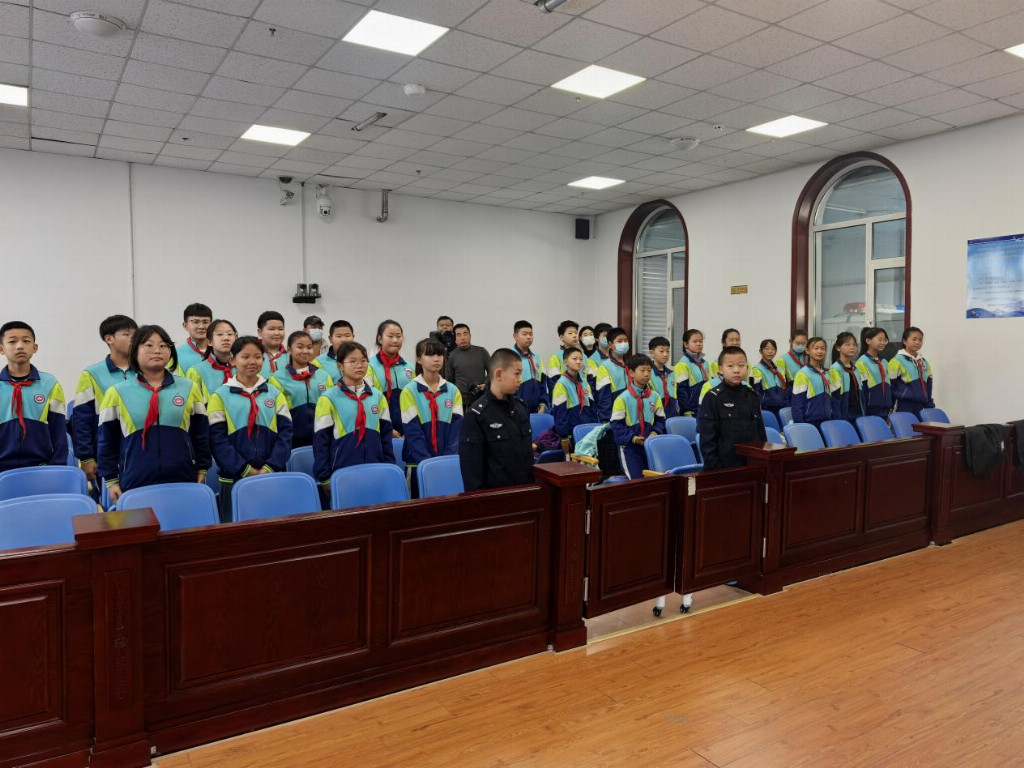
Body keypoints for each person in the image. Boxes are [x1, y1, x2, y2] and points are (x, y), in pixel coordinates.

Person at [97, 325, 210, 502]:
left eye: (163, 345)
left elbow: (201, 434)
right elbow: (106, 441)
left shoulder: (189, 388)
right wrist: (111, 481)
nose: (157, 350)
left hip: (182, 477)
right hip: (135, 480)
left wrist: (202, 468)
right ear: (135, 350)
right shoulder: (117, 392)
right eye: (149, 345)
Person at [207, 336, 293, 519]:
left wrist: (270, 467)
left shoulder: (275, 394)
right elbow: (217, 440)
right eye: (245, 357)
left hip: (271, 474)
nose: (252, 362)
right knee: (235, 528)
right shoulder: (219, 396)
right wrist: (245, 470)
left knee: (273, 526)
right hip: (233, 477)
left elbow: (286, 435)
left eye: (257, 357)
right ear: (232, 360)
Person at [313, 341, 394, 495]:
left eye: (363, 361)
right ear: (340, 366)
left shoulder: (377, 396)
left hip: (375, 468)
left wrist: (389, 466)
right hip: (342, 471)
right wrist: (324, 477)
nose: (359, 365)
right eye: (353, 361)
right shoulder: (328, 398)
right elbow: (321, 442)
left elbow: (386, 437)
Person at [71, 314, 136, 487]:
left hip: (139, 451)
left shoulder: (145, 370)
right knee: (113, 501)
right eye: (127, 334)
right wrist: (86, 457)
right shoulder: (91, 374)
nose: (133, 339)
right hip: (105, 453)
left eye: (135, 334)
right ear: (109, 339)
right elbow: (81, 420)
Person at [459, 348, 534, 491]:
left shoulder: (521, 408)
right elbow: (472, 473)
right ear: (499, 374)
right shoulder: (477, 415)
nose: (521, 379)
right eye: (517, 373)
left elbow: (527, 458)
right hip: (496, 497)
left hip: (525, 491)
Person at [0, 321, 68, 472]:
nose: (19, 346)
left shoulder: (50, 384)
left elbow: (59, 431)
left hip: (41, 466)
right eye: (12, 341)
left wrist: (57, 466)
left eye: (26, 341)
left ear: (34, 348)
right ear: (1, 349)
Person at [399, 338, 463, 491]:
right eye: (430, 355)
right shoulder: (409, 391)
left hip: (447, 463)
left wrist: (445, 460)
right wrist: (428, 465)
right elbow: (413, 432)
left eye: (439, 354)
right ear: (419, 359)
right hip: (417, 464)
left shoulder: (453, 390)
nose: (436, 359)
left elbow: (456, 430)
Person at [698, 346, 766, 470]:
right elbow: (707, 440)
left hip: (752, 465)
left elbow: (761, 434)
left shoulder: (752, 396)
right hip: (724, 467)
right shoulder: (713, 397)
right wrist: (716, 469)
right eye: (730, 366)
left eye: (741, 365)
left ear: (747, 368)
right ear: (721, 369)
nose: (736, 370)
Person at [268, 330, 333, 448]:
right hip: (291, 441)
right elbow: (274, 416)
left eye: (309, 347)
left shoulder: (323, 376)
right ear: (289, 349)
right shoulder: (277, 379)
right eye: (300, 347)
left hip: (321, 439)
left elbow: (332, 408)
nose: (305, 351)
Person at [610, 354, 666, 479]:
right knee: (637, 480)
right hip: (629, 448)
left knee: (653, 479)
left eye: (649, 371)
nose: (646, 374)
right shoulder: (622, 398)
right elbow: (616, 425)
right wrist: (633, 438)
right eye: (642, 370)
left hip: (649, 446)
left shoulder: (655, 396)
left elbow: (660, 420)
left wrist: (655, 432)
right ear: (631, 373)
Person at [366, 319, 413, 436]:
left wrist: (412, 428)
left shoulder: (410, 366)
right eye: (390, 336)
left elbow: (415, 401)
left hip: (408, 429)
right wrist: (387, 429)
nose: (395, 340)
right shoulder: (369, 366)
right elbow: (368, 401)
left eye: (399, 336)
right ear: (380, 339)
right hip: (380, 429)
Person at [550, 346, 596, 452]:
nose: (579, 362)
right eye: (574, 359)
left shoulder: (584, 383)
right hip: (571, 433)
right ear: (566, 362)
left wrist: (594, 428)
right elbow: (560, 413)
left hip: (587, 430)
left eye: (581, 359)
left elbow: (592, 408)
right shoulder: (561, 384)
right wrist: (564, 436)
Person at [791, 337, 837, 429]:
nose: (820, 351)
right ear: (807, 351)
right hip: (809, 422)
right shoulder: (802, 374)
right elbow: (797, 404)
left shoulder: (826, 373)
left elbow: (831, 399)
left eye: (823, 348)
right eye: (816, 348)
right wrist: (800, 426)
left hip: (826, 421)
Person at [186, 319, 237, 402]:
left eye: (230, 334)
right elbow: (194, 404)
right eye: (220, 334)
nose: (226, 338)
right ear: (209, 342)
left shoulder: (244, 368)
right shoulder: (196, 372)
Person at [889, 327, 934, 418]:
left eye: (920, 340)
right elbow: (890, 386)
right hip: (903, 405)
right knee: (905, 427)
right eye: (914, 339)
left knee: (919, 427)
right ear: (904, 341)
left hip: (921, 406)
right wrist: (890, 406)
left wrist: (929, 404)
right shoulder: (896, 361)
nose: (917, 342)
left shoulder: (924, 362)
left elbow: (928, 385)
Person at [444, 323, 489, 405]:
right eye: (459, 335)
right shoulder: (452, 356)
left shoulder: (481, 351)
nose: (463, 337)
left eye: (465, 334)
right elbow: (450, 379)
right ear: (455, 338)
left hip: (481, 396)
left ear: (470, 336)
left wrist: (485, 384)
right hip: (460, 399)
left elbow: (492, 371)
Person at [511, 320, 548, 414]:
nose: (528, 337)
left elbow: (543, 384)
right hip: (516, 410)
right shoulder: (509, 357)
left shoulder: (537, 359)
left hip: (537, 411)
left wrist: (543, 405)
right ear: (515, 336)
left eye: (531, 334)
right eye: (524, 334)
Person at [856, 327, 893, 419]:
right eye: (879, 339)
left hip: (885, 409)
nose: (883, 342)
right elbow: (862, 391)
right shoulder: (862, 363)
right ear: (868, 341)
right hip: (870, 411)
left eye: (885, 340)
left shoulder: (884, 362)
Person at [750, 339, 789, 420]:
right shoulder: (757, 369)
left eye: (773, 349)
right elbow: (756, 391)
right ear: (761, 351)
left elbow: (785, 388)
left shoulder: (779, 369)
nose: (770, 351)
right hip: (767, 407)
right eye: (767, 349)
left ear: (776, 352)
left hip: (781, 406)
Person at [673, 329, 710, 416]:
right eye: (695, 341)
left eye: (700, 341)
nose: (699, 344)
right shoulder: (682, 364)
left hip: (705, 407)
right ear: (686, 344)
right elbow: (681, 390)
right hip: (691, 410)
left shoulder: (705, 363)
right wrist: (686, 411)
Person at [829, 332, 862, 424]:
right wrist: (838, 419)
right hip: (843, 416)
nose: (852, 347)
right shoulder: (835, 369)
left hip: (857, 414)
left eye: (854, 345)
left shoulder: (855, 369)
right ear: (838, 348)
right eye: (847, 345)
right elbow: (834, 398)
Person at [176, 303, 213, 373]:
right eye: (196, 322)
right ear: (185, 325)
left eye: (205, 322)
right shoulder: (175, 354)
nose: (201, 326)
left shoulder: (221, 352)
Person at [648, 336, 678, 419]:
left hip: (672, 415)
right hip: (655, 415)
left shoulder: (671, 374)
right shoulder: (648, 373)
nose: (665, 354)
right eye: (661, 351)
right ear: (652, 352)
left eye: (667, 351)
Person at [546, 320, 579, 393]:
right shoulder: (556, 357)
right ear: (561, 337)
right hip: (564, 396)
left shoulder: (583, 356)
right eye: (570, 333)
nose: (574, 335)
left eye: (576, 333)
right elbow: (553, 382)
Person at [256, 310, 288, 378]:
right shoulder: (252, 356)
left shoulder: (291, 357)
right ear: (260, 332)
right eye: (271, 329)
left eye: (280, 329)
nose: (277, 333)